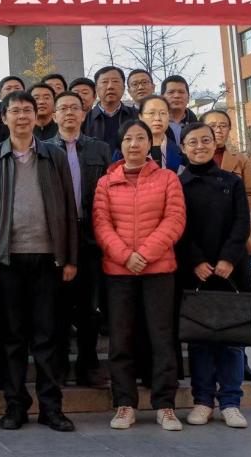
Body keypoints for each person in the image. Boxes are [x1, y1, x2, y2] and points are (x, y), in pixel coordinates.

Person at [0, 90, 78, 432]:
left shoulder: (54, 156)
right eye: (15, 111)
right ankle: (15, 405)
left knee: (48, 336)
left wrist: (70, 257)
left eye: (27, 111)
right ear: (3, 117)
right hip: (7, 261)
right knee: (13, 338)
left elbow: (69, 208)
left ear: (36, 116)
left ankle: (51, 407)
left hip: (49, 259)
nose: (21, 117)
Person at [92, 119, 186, 432]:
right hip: (119, 272)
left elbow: (174, 219)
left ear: (150, 143)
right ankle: (124, 404)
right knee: (121, 339)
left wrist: (144, 253)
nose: (134, 144)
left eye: (140, 138)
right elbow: (101, 224)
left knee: (162, 338)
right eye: (128, 139)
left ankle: (165, 404)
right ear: (120, 146)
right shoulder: (106, 183)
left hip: (158, 269)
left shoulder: (167, 178)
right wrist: (125, 256)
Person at [177, 122, 251, 429]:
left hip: (231, 271)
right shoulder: (177, 184)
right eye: (192, 142)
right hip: (197, 273)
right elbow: (179, 226)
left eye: (205, 140)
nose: (199, 146)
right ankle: (203, 400)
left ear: (214, 143)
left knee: (232, 340)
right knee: (200, 340)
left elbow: (242, 222)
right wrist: (196, 261)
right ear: (183, 148)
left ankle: (231, 402)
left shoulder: (232, 181)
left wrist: (228, 258)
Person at [45, 91, 112, 388]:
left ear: (84, 114)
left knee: (89, 308)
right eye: (63, 108)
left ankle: (88, 365)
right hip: (56, 238)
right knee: (57, 307)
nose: (69, 112)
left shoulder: (100, 149)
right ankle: (58, 365)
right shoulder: (44, 150)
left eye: (75, 107)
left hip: (91, 237)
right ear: (54, 115)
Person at [84, 66, 138, 154]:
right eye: (104, 82)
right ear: (96, 89)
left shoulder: (137, 116)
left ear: (124, 87)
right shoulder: (85, 120)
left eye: (115, 81)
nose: (110, 86)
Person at [132, 95, 182, 172]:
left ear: (169, 117)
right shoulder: (125, 150)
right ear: (140, 117)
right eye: (151, 113)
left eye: (163, 113)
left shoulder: (181, 152)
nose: (157, 118)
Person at [162, 75, 197, 141]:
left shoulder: (198, 125)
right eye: (171, 92)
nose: (177, 96)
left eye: (181, 92)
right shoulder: (152, 125)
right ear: (162, 97)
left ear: (188, 97)